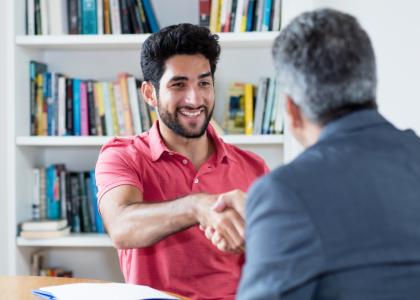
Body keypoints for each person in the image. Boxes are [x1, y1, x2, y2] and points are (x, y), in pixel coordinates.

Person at [212, 8, 420, 299]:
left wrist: (272, 221)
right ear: (370, 85)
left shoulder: (283, 193)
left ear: (291, 110)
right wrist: (267, 229)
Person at [94, 23, 268, 300]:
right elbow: (121, 227)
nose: (194, 98)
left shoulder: (253, 167)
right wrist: (198, 206)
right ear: (150, 94)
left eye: (204, 83)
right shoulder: (122, 156)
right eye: (178, 84)